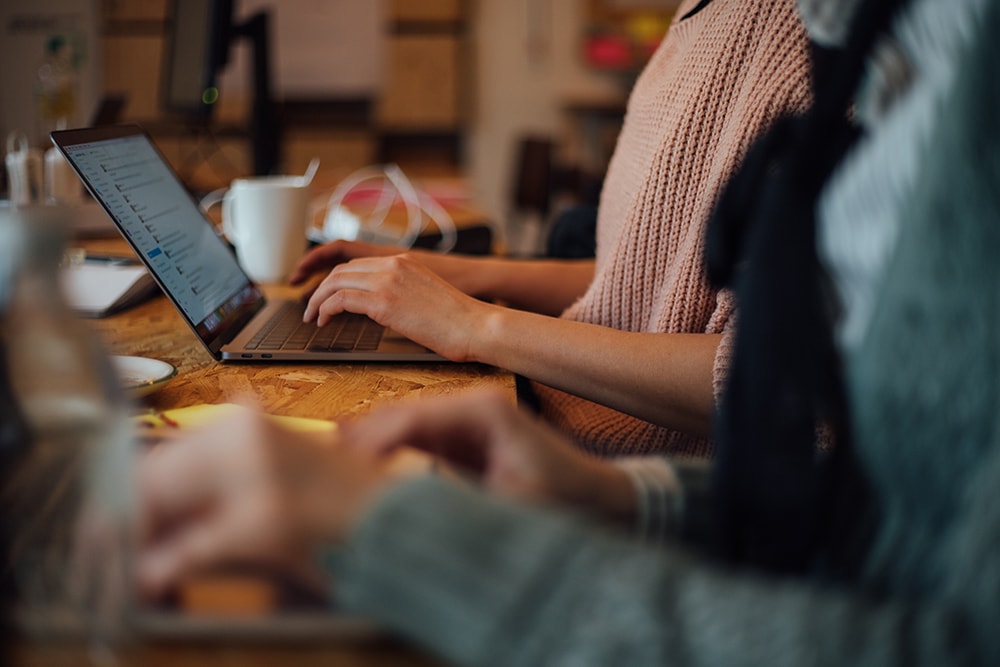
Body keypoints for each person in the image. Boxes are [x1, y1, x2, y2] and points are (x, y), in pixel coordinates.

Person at [137, 0, 1000, 664]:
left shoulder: (887, 59)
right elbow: (647, 272)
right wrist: (631, 498)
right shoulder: (750, 25)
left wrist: (475, 341)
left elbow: (784, 399)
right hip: (610, 469)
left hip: (625, 464)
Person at [290, 0, 814, 457]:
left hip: (647, 492)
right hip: (559, 424)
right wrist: (447, 274)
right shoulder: (697, 14)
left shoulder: (816, 32)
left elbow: (773, 382)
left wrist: (474, 325)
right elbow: (633, 279)